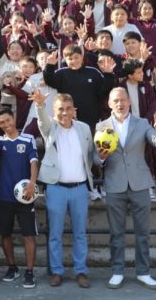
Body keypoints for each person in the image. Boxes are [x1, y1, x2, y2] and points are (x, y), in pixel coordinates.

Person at [95, 88, 156, 289]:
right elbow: (95, 157)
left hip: (140, 183)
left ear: (129, 102)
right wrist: (101, 158)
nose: (120, 104)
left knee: (143, 232)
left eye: (123, 100)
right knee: (116, 232)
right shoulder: (101, 126)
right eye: (116, 100)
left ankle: (143, 272)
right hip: (114, 184)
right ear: (110, 104)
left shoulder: (142, 123)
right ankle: (117, 271)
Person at [30, 90, 98, 288]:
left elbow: (91, 155)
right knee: (55, 234)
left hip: (80, 188)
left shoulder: (84, 128)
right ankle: (57, 271)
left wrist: (101, 157)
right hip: (56, 188)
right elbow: (42, 121)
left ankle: (81, 271)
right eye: (60, 109)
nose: (65, 113)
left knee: (80, 233)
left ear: (74, 110)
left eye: (68, 109)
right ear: (54, 111)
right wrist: (40, 105)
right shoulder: (50, 128)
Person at [0, 107, 38, 288]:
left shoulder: (28, 139)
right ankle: (12, 267)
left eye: (7, 120)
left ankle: (30, 272)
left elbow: (34, 162)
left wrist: (32, 183)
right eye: (1, 123)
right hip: (4, 196)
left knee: (29, 235)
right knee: (5, 234)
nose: (6, 125)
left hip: (25, 196)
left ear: (14, 118)